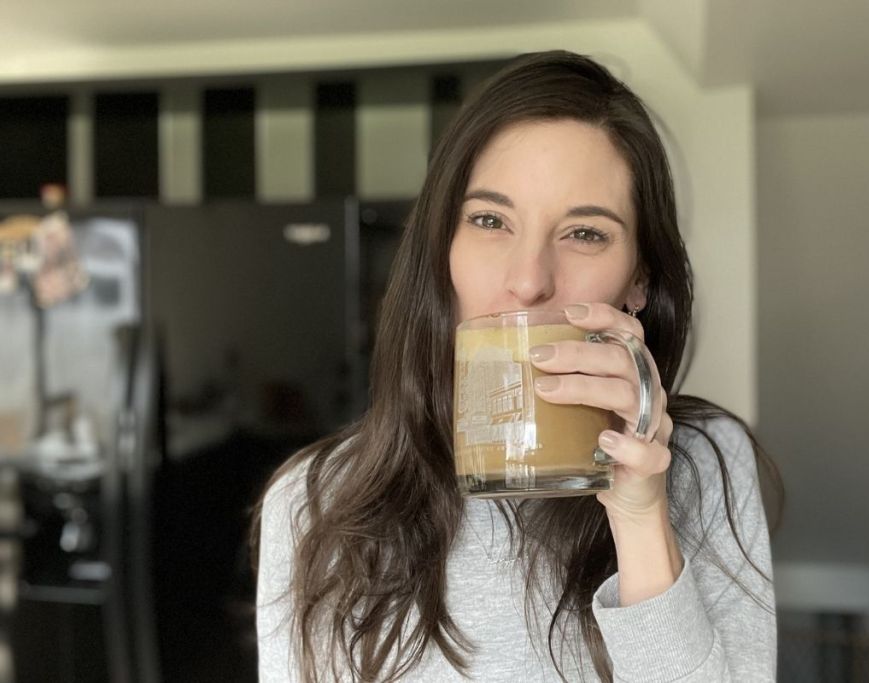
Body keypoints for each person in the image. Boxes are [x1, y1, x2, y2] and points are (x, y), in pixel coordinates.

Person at [252, 50, 782, 682]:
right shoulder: (314, 502)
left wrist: (642, 521)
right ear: (441, 251)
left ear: (639, 278)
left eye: (585, 233)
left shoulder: (701, 469)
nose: (529, 280)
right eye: (489, 220)